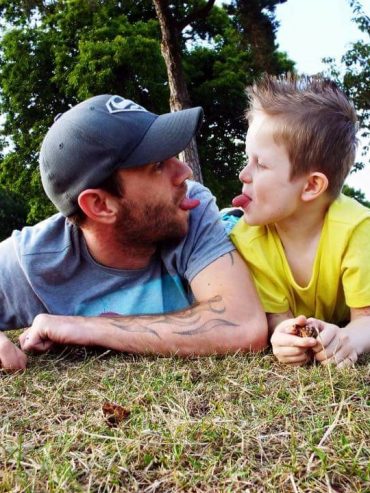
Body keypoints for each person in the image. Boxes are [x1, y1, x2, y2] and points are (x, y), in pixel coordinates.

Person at [0, 94, 268, 370]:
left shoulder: (189, 206)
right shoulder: (33, 259)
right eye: (158, 166)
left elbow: (243, 322)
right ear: (100, 205)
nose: (185, 172)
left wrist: (86, 328)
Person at [223, 75, 370, 368]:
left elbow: (365, 318)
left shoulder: (357, 229)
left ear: (311, 186)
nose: (243, 174)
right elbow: (277, 317)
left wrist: (347, 340)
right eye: (246, 159)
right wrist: (281, 335)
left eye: (261, 164)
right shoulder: (248, 238)